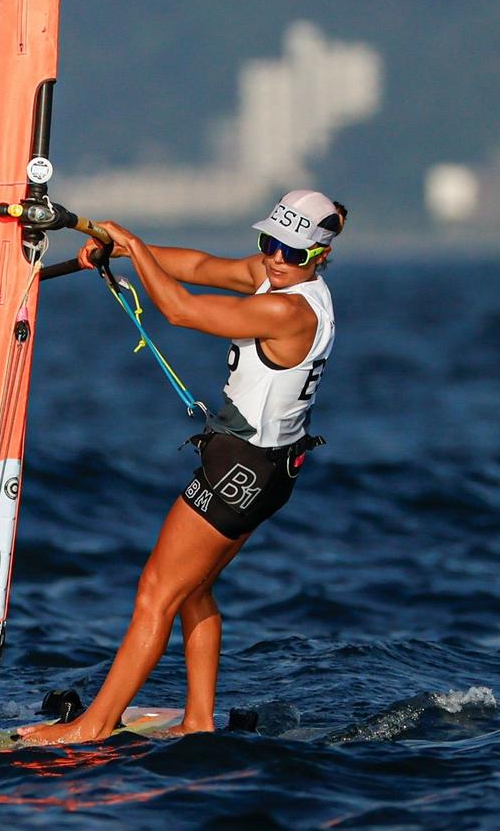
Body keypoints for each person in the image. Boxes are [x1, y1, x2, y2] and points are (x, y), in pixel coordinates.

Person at [20, 188, 346, 744]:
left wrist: (135, 248)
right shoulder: (278, 280)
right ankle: (198, 720)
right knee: (194, 590)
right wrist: (122, 248)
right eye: (270, 243)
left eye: (291, 252)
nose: (274, 258)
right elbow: (197, 266)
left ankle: (93, 727)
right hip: (267, 472)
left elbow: (180, 308)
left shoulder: (288, 308)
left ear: (318, 257)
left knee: (156, 592)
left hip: (241, 474)